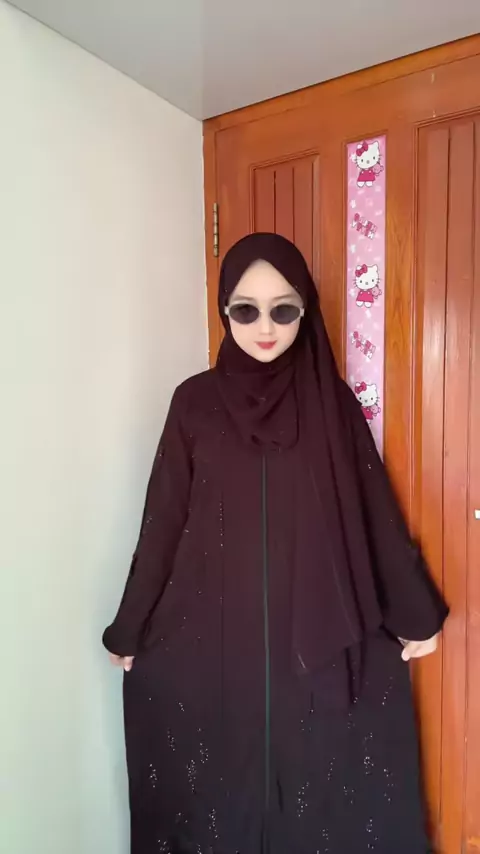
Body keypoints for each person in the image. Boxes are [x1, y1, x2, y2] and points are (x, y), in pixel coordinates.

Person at [103, 233, 448, 854]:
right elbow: (162, 523)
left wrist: (417, 614)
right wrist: (128, 630)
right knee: (216, 803)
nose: (265, 326)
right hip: (211, 642)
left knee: (321, 799)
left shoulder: (332, 404)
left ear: (305, 310)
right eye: (246, 309)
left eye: (283, 309)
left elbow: (374, 512)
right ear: (224, 311)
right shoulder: (193, 404)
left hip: (313, 644)